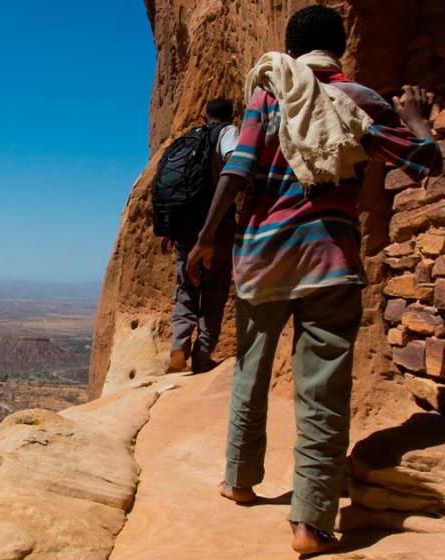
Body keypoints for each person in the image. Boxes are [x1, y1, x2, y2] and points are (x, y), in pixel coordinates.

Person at [185, 5, 443, 556]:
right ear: (339, 48)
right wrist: (419, 117)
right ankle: (311, 520)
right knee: (322, 389)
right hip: (330, 259)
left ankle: (239, 480)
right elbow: (424, 162)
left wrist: (207, 239)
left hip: (261, 260)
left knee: (250, 371)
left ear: (291, 46)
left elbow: (237, 171)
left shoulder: (269, 95)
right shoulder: (362, 100)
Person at [161, 98, 240, 374]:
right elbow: (234, 165)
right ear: (231, 115)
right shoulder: (229, 133)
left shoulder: (188, 141)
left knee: (186, 288)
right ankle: (202, 354)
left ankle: (178, 345)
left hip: (184, 228)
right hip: (216, 225)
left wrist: (168, 228)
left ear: (205, 115)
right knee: (214, 289)